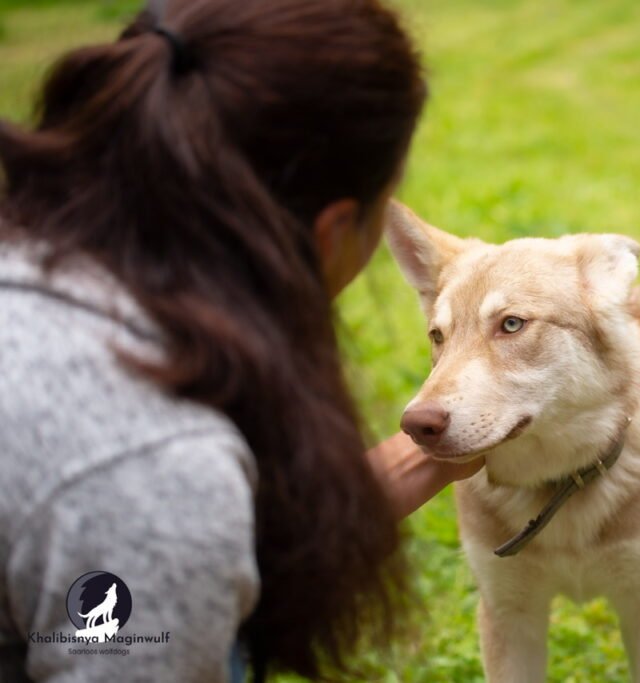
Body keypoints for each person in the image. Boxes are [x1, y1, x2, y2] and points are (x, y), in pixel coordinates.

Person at [0, 0, 480, 681]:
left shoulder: (59, 266)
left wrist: (435, 449)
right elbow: (159, 518)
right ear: (333, 230)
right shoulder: (151, 467)